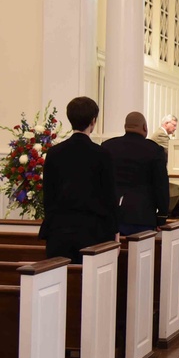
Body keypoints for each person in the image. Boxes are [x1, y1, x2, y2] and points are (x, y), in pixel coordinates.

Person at [39, 97, 118, 263]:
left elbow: (49, 196)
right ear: (93, 121)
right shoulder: (102, 154)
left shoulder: (54, 153)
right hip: (94, 232)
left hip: (60, 232)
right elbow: (110, 197)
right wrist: (115, 232)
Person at [101, 112, 170, 237]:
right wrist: (162, 216)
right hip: (142, 215)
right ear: (144, 127)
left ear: (125, 126)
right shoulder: (154, 150)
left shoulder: (107, 146)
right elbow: (161, 185)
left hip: (111, 214)